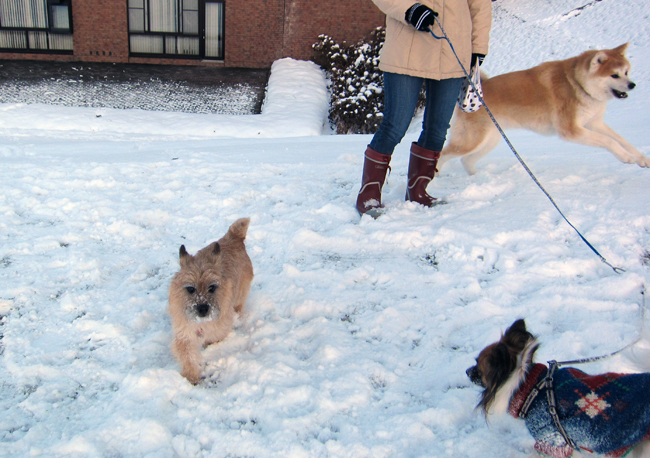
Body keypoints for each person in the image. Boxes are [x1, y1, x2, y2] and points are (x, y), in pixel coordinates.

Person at [356, 0, 492, 216]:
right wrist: (409, 9)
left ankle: (418, 190)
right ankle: (369, 194)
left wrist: (478, 47)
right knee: (395, 126)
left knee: (438, 127)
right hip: (406, 48)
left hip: (454, 51)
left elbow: (481, 6)